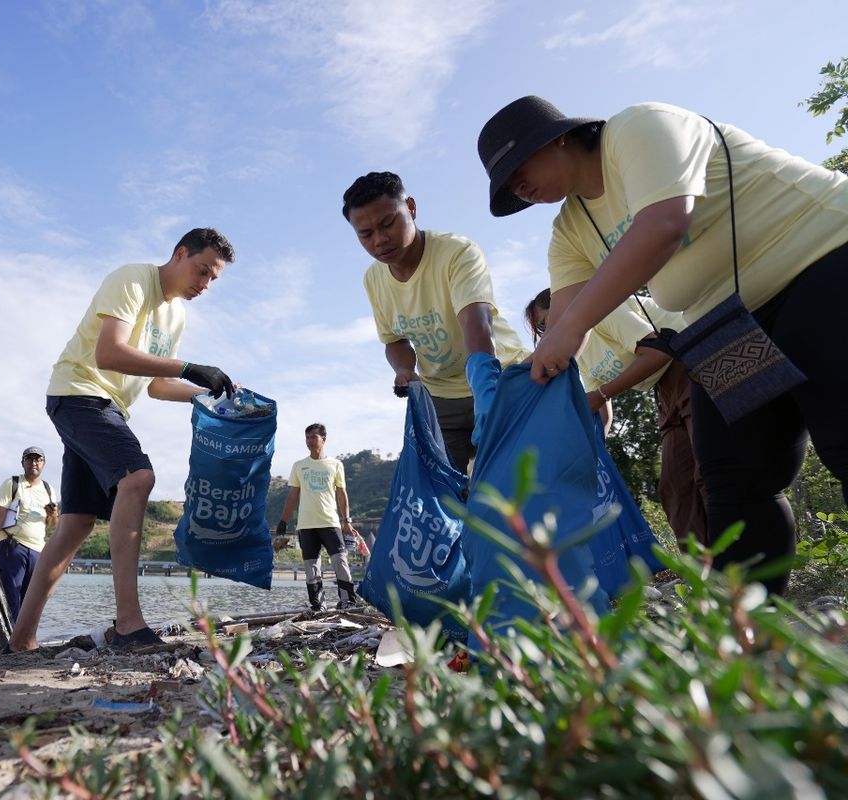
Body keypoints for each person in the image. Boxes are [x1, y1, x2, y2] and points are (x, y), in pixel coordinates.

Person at [478, 95, 848, 593]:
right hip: (728, 322)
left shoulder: (640, 128)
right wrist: (527, 384)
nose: (517, 187)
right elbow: (565, 319)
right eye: (506, 186)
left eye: (518, 165)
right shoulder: (570, 229)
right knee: (734, 479)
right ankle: (752, 644)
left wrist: (564, 334)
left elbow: (664, 225)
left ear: (558, 136)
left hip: (822, 262)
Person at [8, 228, 237, 651]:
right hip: (79, 393)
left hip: (107, 406)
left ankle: (20, 640)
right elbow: (108, 353)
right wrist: (188, 367)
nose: (204, 284)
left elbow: (157, 386)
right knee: (138, 478)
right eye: (201, 270)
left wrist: (207, 394)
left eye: (213, 279)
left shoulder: (177, 316)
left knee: (75, 524)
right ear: (180, 253)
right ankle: (129, 625)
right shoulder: (132, 279)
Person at [342, 171, 528, 473]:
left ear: (411, 208)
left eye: (388, 223)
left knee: (516, 484)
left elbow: (476, 322)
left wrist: (486, 390)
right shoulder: (373, 278)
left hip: (499, 381)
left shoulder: (457, 252)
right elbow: (395, 340)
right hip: (441, 397)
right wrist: (404, 369)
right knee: (440, 491)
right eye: (365, 234)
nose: (380, 240)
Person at [525, 290, 707, 545]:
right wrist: (594, 447)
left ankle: (745, 564)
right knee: (676, 487)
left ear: (563, 308)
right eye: (542, 331)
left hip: (693, 362)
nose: (548, 335)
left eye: (546, 323)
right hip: (664, 391)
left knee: (710, 470)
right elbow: (601, 406)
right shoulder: (579, 351)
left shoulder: (602, 309)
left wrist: (601, 394)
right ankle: (705, 575)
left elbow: (659, 352)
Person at [275, 423, 362, 610]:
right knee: (311, 567)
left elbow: (342, 494)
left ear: (324, 439)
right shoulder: (299, 466)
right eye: (307, 437)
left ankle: (348, 602)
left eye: (313, 437)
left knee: (340, 562)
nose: (309, 441)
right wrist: (284, 519)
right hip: (306, 525)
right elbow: (292, 496)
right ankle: (318, 606)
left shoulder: (336, 464)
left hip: (330, 522)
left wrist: (346, 521)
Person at [0, 446, 59, 623]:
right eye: (29, 459)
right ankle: (11, 642)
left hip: (37, 550)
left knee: (31, 599)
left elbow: (52, 524)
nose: (34, 463)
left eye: (38, 459)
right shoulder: (12, 484)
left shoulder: (49, 489)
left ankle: (23, 639)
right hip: (12, 546)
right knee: (10, 597)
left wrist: (52, 514)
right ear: (23, 463)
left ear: (43, 463)